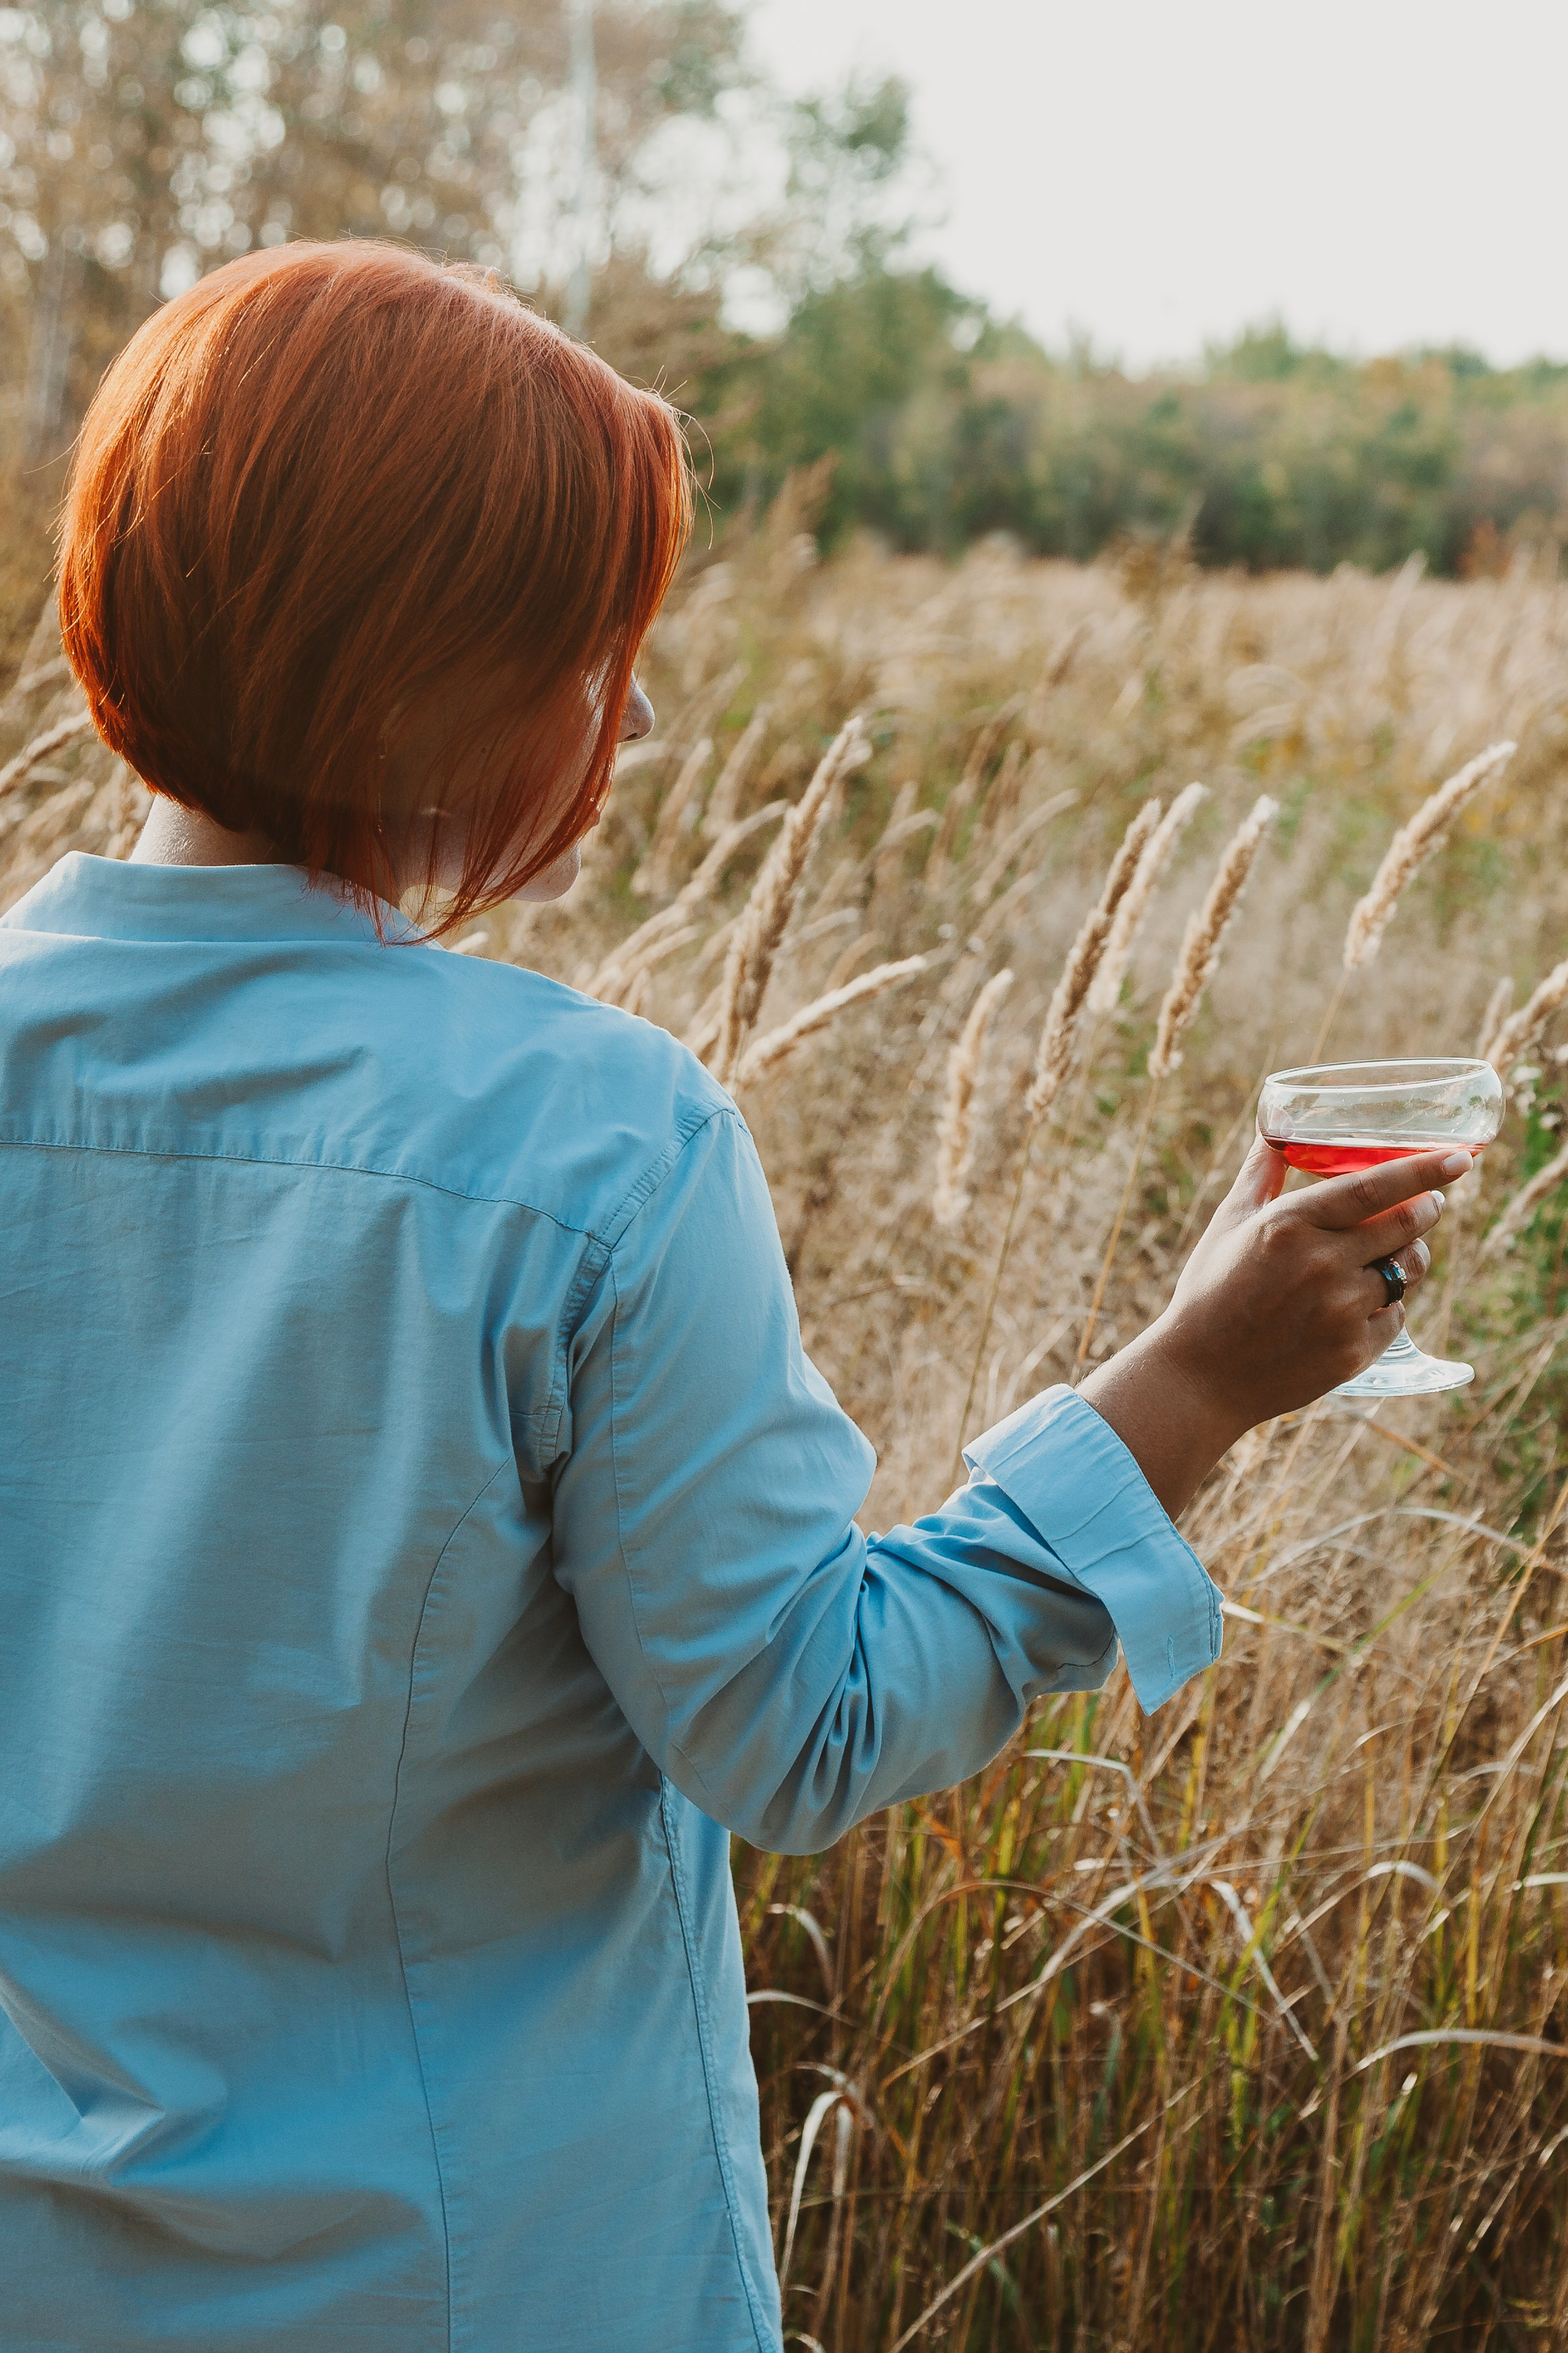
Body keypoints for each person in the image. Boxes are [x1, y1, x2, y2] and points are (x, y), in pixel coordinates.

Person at [0, 241, 1469, 2353]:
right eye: (594, 647)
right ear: (417, 663)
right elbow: (806, 1723)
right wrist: (1193, 1382)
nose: (634, 710)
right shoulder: (585, 1140)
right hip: (485, 2287)